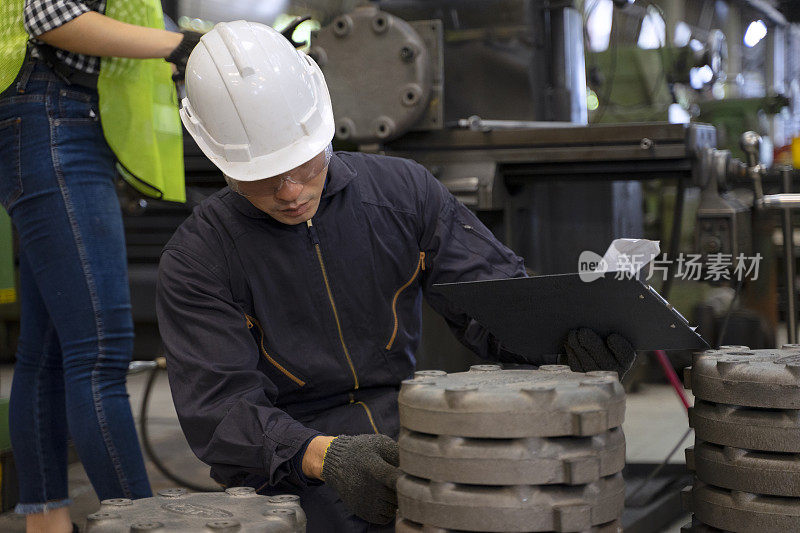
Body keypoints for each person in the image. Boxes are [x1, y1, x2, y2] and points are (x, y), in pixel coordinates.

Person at [156, 21, 636, 533]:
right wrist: (321, 456)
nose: (292, 191)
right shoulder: (198, 259)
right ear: (220, 162)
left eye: (304, 165)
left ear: (325, 126)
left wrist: (562, 345)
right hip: (287, 468)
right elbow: (220, 409)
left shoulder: (402, 193)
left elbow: (494, 299)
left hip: (409, 432)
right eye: (263, 178)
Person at [0, 1, 202, 532]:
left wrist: (200, 42)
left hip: (56, 113)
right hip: (51, 115)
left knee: (45, 353)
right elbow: (50, 16)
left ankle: (46, 523)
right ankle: (140, 524)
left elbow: (131, 18)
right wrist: (176, 46)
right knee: (101, 350)